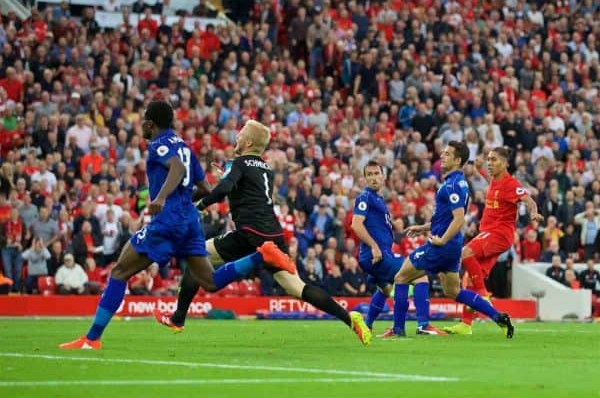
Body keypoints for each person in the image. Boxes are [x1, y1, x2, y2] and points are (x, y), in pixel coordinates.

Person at [59, 101, 294, 350]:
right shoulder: (185, 146)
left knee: (119, 273)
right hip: (190, 223)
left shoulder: (158, 144)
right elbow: (205, 189)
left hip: (167, 223)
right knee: (210, 282)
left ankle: (92, 339)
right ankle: (262, 256)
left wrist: (161, 197)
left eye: (144, 122)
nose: (143, 126)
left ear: (151, 123)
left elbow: (177, 168)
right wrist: (185, 201)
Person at [154, 119, 372, 346]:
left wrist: (199, 206)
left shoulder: (239, 162)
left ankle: (178, 318)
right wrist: (228, 177)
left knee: (197, 257)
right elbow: (243, 189)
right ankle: (349, 318)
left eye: (240, 135)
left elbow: (226, 189)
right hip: (273, 234)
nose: (237, 137)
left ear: (247, 142)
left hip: (249, 231)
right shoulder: (265, 168)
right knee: (298, 288)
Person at [392, 141, 514, 338]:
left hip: (443, 245)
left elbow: (458, 219)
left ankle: (399, 329)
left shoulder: (453, 185)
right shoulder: (457, 182)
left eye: (447, 154)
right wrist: (424, 228)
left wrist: (441, 241)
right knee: (453, 291)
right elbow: (446, 218)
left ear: (458, 160)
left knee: (401, 277)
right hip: (452, 246)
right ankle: (498, 317)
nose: (442, 155)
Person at [443, 147, 543, 335]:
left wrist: (534, 212)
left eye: (494, 160)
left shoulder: (511, 184)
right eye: (488, 159)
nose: (489, 163)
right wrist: (481, 170)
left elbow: (528, 199)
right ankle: (466, 324)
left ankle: (483, 294)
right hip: (490, 234)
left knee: (465, 253)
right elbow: (493, 184)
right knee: (469, 279)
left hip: (499, 234)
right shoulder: (496, 182)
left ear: (505, 163)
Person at [351, 161, 446, 335]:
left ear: (383, 176)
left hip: (378, 255)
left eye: (376, 173)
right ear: (364, 179)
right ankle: (421, 325)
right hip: (375, 255)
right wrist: (374, 246)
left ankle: (366, 326)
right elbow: (356, 225)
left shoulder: (378, 199)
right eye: (369, 174)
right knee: (419, 276)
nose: (373, 178)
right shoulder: (365, 197)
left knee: (385, 289)